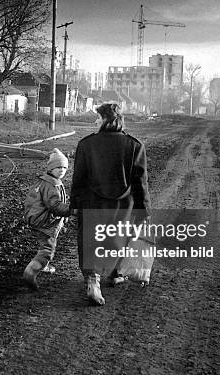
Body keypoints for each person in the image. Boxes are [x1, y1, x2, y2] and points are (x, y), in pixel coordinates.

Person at [70, 103, 151, 305]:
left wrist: (74, 204)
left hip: (92, 203)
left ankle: (93, 281)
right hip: (123, 206)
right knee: (119, 238)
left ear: (107, 119)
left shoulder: (86, 144)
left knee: (91, 241)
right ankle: (116, 272)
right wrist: (144, 210)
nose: (95, 122)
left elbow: (78, 178)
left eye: (97, 118)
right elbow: (140, 182)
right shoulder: (135, 146)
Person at [23, 148, 72, 289]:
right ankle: (31, 270)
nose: (62, 170)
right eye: (58, 167)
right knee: (47, 249)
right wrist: (71, 211)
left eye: (64, 167)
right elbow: (55, 206)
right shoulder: (52, 185)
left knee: (43, 243)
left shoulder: (45, 181)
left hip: (38, 219)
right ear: (51, 168)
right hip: (46, 223)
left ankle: (43, 266)